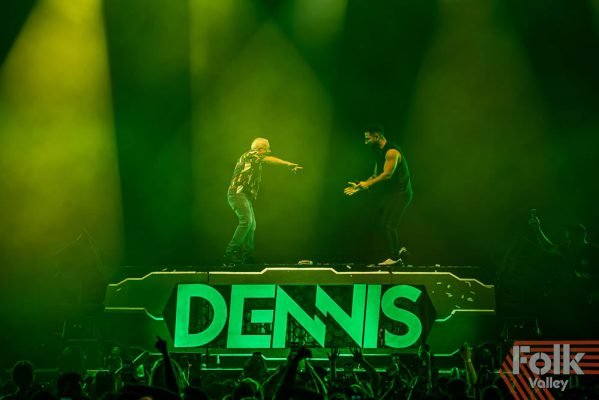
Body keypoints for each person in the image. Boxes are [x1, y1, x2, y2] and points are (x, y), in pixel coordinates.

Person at [224, 138, 302, 266]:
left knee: (251, 225)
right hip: (237, 193)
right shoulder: (250, 154)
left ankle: (247, 257)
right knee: (246, 222)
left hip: (244, 196)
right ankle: (230, 253)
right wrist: (287, 163)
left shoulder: (254, 161)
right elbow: (268, 160)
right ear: (260, 149)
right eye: (267, 148)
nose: (269, 151)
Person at [344, 124, 413, 266]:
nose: (365, 142)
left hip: (401, 193)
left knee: (389, 224)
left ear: (377, 136)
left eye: (367, 139)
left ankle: (395, 258)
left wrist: (367, 184)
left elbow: (387, 175)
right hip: (391, 194)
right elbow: (376, 175)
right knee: (379, 222)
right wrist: (361, 187)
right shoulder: (378, 152)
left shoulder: (392, 152)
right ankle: (399, 251)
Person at [529, 211, 599, 304]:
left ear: (582, 236)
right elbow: (548, 247)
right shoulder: (568, 249)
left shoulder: (594, 251)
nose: (569, 242)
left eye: (572, 239)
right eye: (568, 239)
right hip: (574, 299)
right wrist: (537, 230)